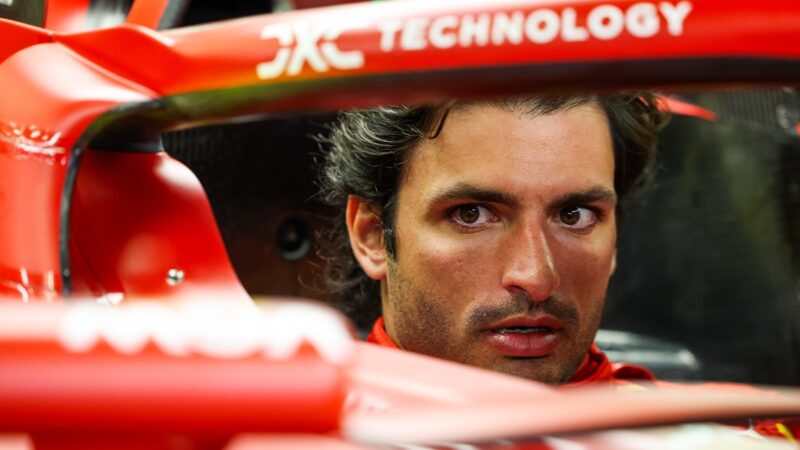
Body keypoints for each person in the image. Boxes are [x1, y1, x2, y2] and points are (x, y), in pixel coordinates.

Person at [316, 94, 667, 387]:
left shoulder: (695, 433)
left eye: (575, 215)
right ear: (373, 235)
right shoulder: (297, 438)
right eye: (472, 215)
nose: (536, 278)